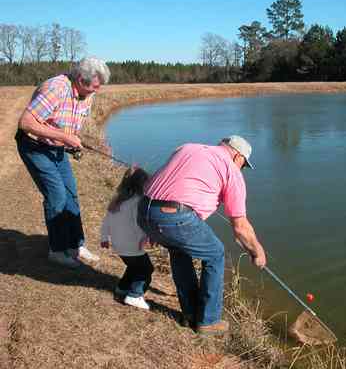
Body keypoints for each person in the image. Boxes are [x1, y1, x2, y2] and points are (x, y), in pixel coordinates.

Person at [138, 135, 267, 335]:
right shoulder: (231, 170)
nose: (242, 169)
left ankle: (190, 314)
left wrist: (154, 227)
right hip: (174, 217)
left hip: (144, 211)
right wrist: (257, 252)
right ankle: (209, 321)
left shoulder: (187, 147)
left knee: (179, 250)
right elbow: (240, 226)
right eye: (243, 164)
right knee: (216, 254)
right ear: (238, 157)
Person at [15, 56, 111, 268]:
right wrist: (65, 137)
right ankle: (57, 250)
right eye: (94, 87)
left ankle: (76, 245)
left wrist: (71, 142)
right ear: (79, 79)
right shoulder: (55, 89)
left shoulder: (89, 94)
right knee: (56, 195)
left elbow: (71, 123)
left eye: (99, 87)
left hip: (57, 146)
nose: (97, 91)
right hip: (34, 145)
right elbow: (26, 123)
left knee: (70, 194)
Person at [100, 167, 154, 310]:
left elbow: (106, 221)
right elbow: (138, 225)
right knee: (146, 269)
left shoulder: (117, 200)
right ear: (143, 185)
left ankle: (121, 289)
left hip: (119, 245)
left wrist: (104, 238)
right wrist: (147, 237)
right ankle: (135, 295)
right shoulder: (138, 202)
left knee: (133, 267)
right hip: (133, 245)